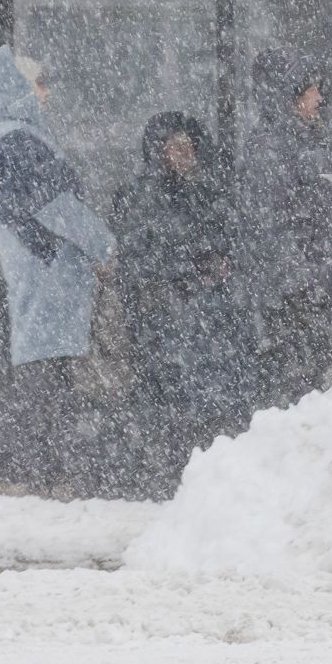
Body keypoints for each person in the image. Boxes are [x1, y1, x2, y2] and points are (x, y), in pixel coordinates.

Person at [0, 46, 115, 495]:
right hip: (49, 277)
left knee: (47, 378)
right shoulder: (18, 139)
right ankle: (3, 463)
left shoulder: (13, 136)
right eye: (37, 84)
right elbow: (57, 207)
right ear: (14, 90)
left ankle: (38, 471)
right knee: (43, 380)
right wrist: (105, 244)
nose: (45, 92)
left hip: (46, 275)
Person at [108, 112, 251, 494]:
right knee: (168, 405)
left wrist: (221, 261)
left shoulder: (206, 192)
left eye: (189, 145)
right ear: (158, 151)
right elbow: (138, 259)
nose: (185, 153)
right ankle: (168, 476)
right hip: (163, 323)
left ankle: (206, 473)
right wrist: (190, 266)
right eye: (175, 146)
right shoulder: (137, 197)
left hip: (207, 323)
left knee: (211, 400)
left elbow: (234, 237)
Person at [238, 50, 332, 409]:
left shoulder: (315, 142)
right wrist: (305, 283)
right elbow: (269, 227)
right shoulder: (271, 149)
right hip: (299, 300)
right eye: (311, 90)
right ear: (289, 95)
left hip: (324, 292)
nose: (320, 98)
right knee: (306, 392)